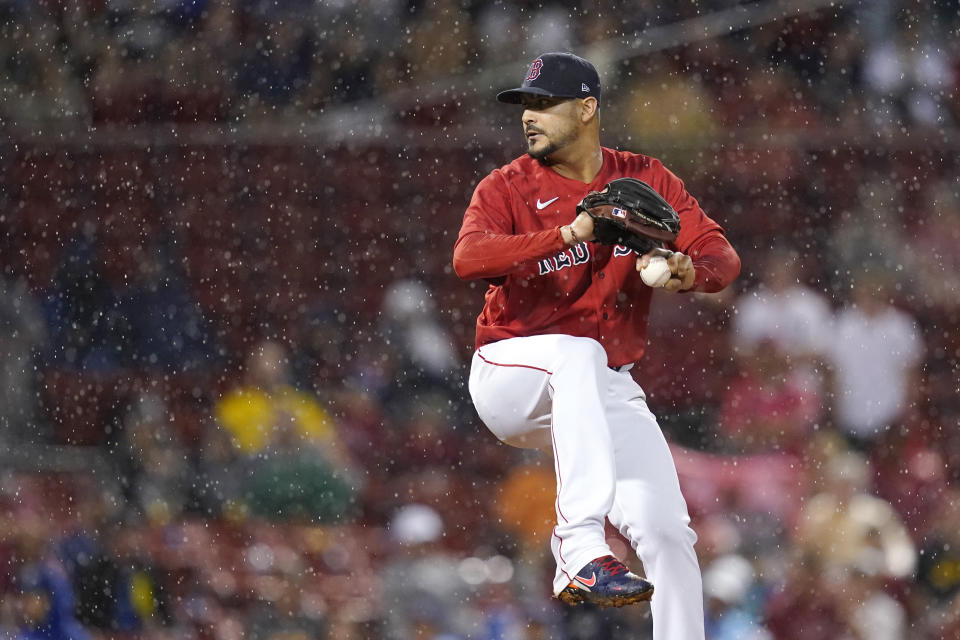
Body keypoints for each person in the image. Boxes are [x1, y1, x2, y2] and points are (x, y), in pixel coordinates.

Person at [453, 52, 740, 640]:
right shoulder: (506, 186)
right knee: (576, 353)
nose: (529, 117)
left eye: (543, 104)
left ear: (587, 108)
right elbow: (468, 258)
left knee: (666, 530)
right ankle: (579, 549)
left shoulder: (642, 176)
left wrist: (688, 271)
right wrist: (570, 233)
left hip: (599, 385)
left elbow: (722, 258)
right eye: (524, 106)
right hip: (511, 371)